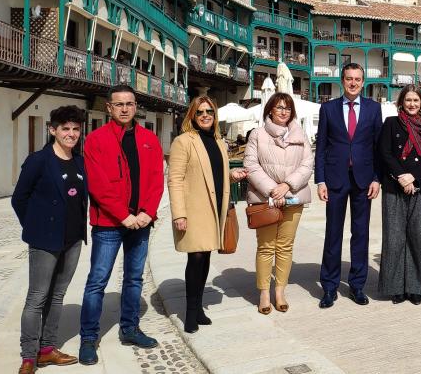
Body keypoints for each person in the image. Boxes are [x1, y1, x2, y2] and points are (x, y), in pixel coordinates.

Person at [78, 84, 164, 365]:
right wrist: (122, 215)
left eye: (129, 104)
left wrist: (147, 213)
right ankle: (89, 338)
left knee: (134, 278)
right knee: (97, 281)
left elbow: (155, 180)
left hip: (140, 221)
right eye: (119, 104)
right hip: (109, 224)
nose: (125, 109)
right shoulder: (95, 140)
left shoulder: (150, 139)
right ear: (109, 108)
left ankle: (129, 328)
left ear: (136, 106)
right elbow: (98, 185)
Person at [12, 106, 87, 374]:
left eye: (76, 129)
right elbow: (19, 199)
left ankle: (47, 350)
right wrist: (35, 227)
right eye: (65, 128)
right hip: (45, 240)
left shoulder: (79, 160)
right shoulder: (39, 160)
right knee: (37, 297)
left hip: (73, 240)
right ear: (52, 130)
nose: (71, 134)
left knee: (57, 296)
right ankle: (28, 356)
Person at [168, 96, 245, 333]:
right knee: (196, 258)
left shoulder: (218, 141)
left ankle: (199, 307)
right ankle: (190, 312)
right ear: (192, 115)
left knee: (206, 258)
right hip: (194, 209)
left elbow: (215, 171)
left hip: (215, 207)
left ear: (214, 114)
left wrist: (233, 175)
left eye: (209, 111)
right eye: (200, 112)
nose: (204, 115)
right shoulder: (183, 141)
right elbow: (174, 179)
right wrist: (179, 213)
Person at [315, 63, 382, 308]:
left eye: (357, 79)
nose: (353, 83)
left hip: (364, 181)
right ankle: (330, 287)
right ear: (341, 81)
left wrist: (376, 178)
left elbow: (378, 149)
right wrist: (320, 180)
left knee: (360, 235)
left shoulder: (374, 110)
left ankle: (357, 285)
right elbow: (320, 148)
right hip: (335, 180)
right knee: (333, 234)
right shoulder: (328, 109)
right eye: (349, 79)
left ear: (363, 82)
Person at [243, 92, 314, 314]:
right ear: (270, 110)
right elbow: (251, 165)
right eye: (279, 107)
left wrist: (287, 185)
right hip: (265, 199)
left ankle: (279, 291)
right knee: (265, 247)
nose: (283, 111)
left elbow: (307, 164)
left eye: (287, 108)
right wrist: (273, 190)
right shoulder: (257, 134)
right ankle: (264, 292)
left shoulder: (300, 134)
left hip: (293, 197)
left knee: (284, 246)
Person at [377, 86, 421, 305]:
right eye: (408, 100)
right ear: (401, 102)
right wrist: (402, 176)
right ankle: (395, 288)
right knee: (394, 239)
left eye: (416, 100)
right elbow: (384, 153)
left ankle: (417, 287)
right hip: (395, 187)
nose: (412, 104)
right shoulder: (391, 123)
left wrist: (413, 177)